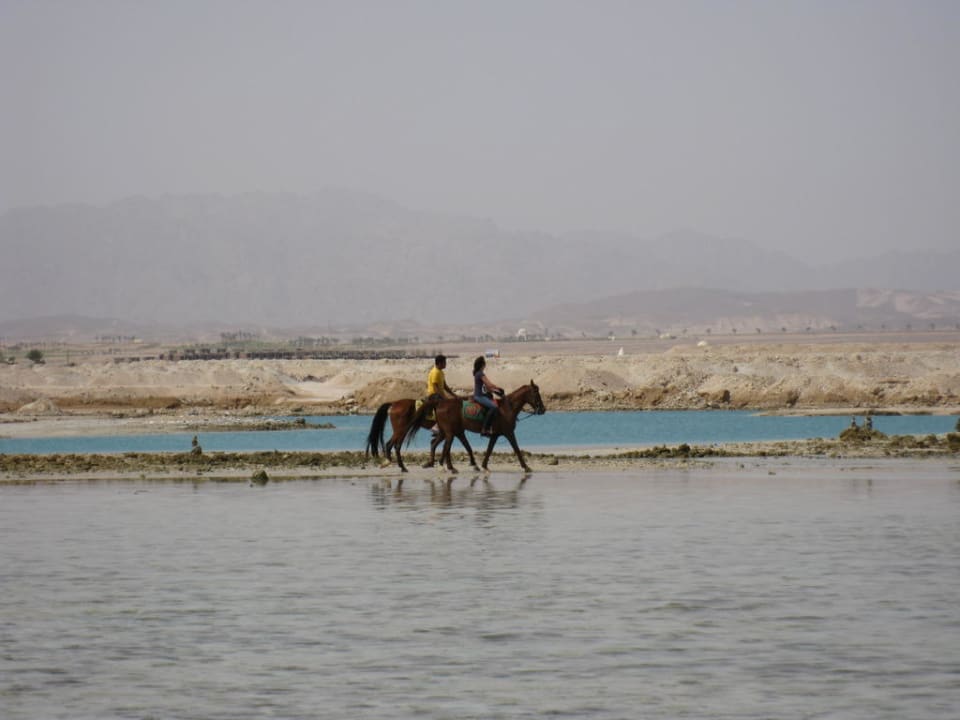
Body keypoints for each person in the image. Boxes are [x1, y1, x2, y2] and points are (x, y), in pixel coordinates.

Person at [473, 355, 505, 436]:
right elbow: (489, 384)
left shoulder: (478, 373)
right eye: (484, 364)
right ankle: (485, 429)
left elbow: (487, 387)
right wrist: (498, 388)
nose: (485, 365)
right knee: (494, 407)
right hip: (479, 396)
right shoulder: (480, 374)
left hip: (482, 395)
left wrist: (496, 391)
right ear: (482, 365)